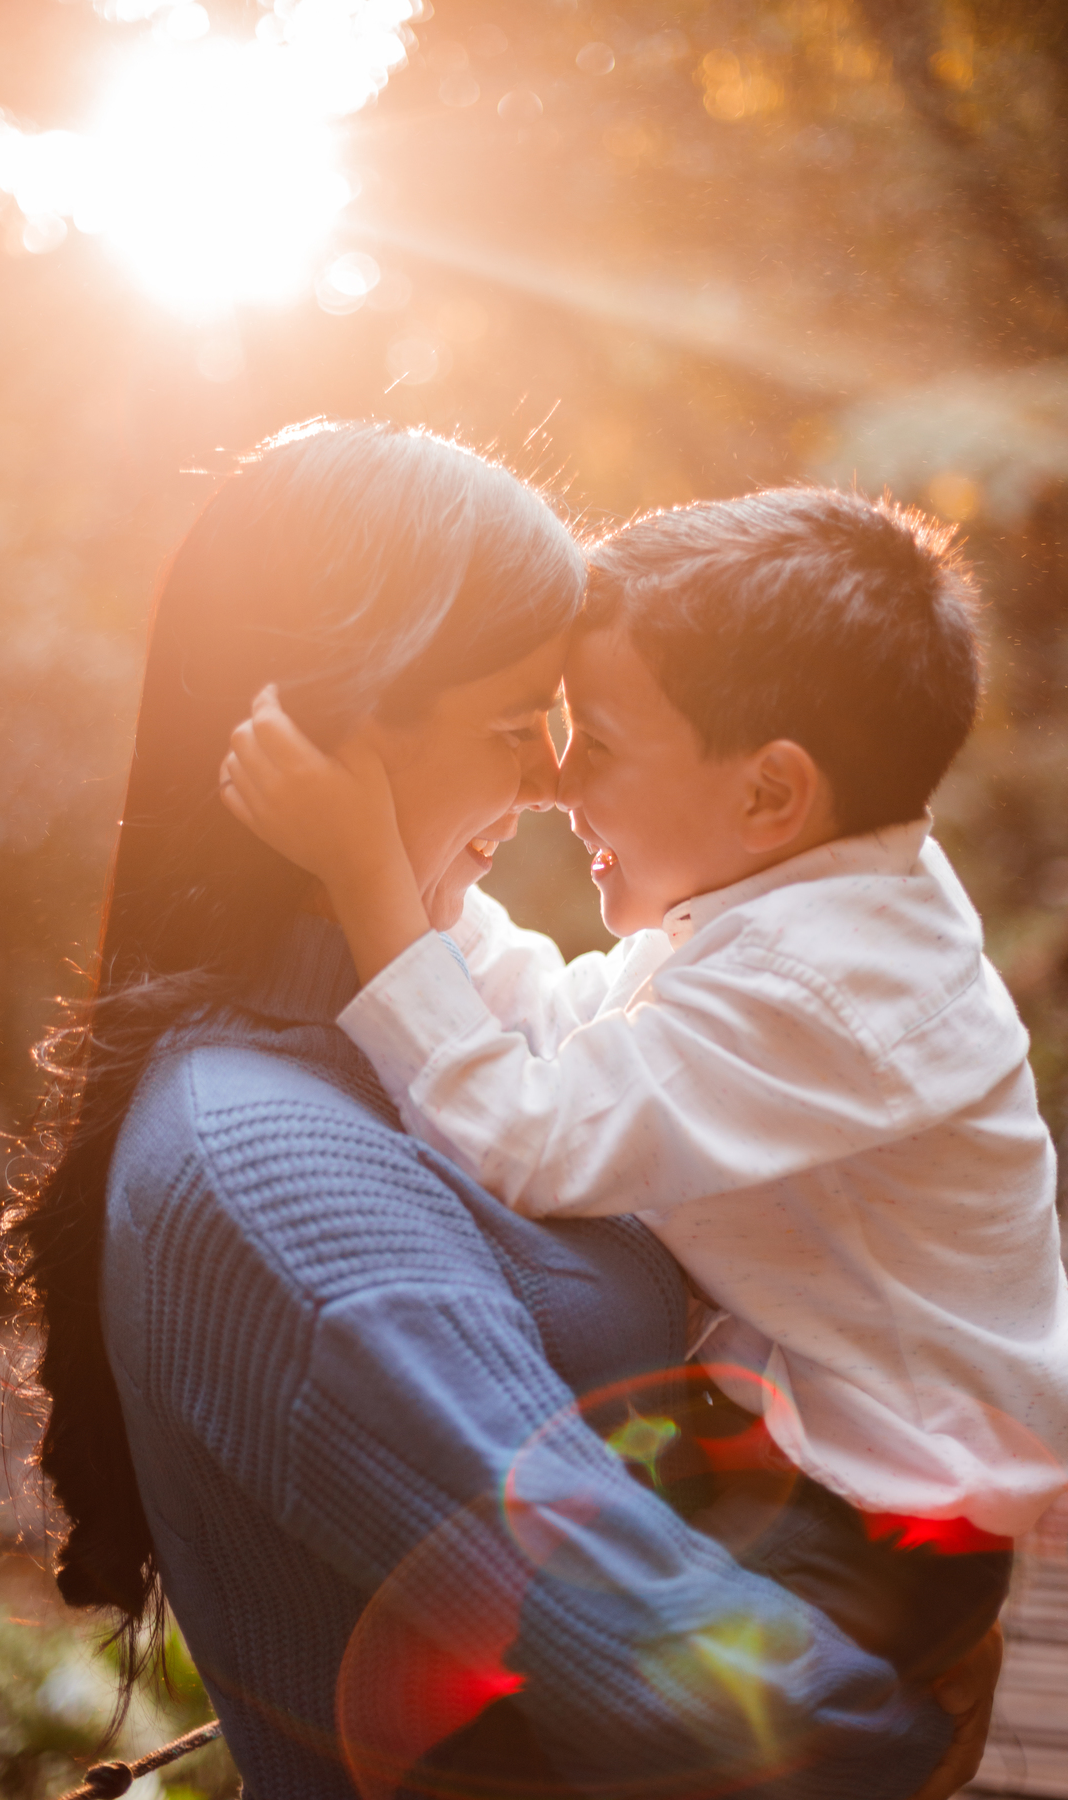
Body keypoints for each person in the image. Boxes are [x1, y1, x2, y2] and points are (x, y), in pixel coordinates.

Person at [7, 430, 994, 1800]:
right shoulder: (271, 1169)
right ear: (326, 733)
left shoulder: (377, 1031)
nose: (551, 779)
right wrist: (929, 1731)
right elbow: (703, 1696)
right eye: (516, 722)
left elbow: (519, 1012)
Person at [219, 485, 1068, 1698]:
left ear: (771, 793)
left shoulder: (826, 985)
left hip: (886, 1525)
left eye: (597, 745)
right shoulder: (797, 893)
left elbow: (529, 1132)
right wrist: (416, 865)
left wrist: (369, 874)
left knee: (614, 1698)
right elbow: (577, 1034)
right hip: (800, 1448)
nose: (557, 781)